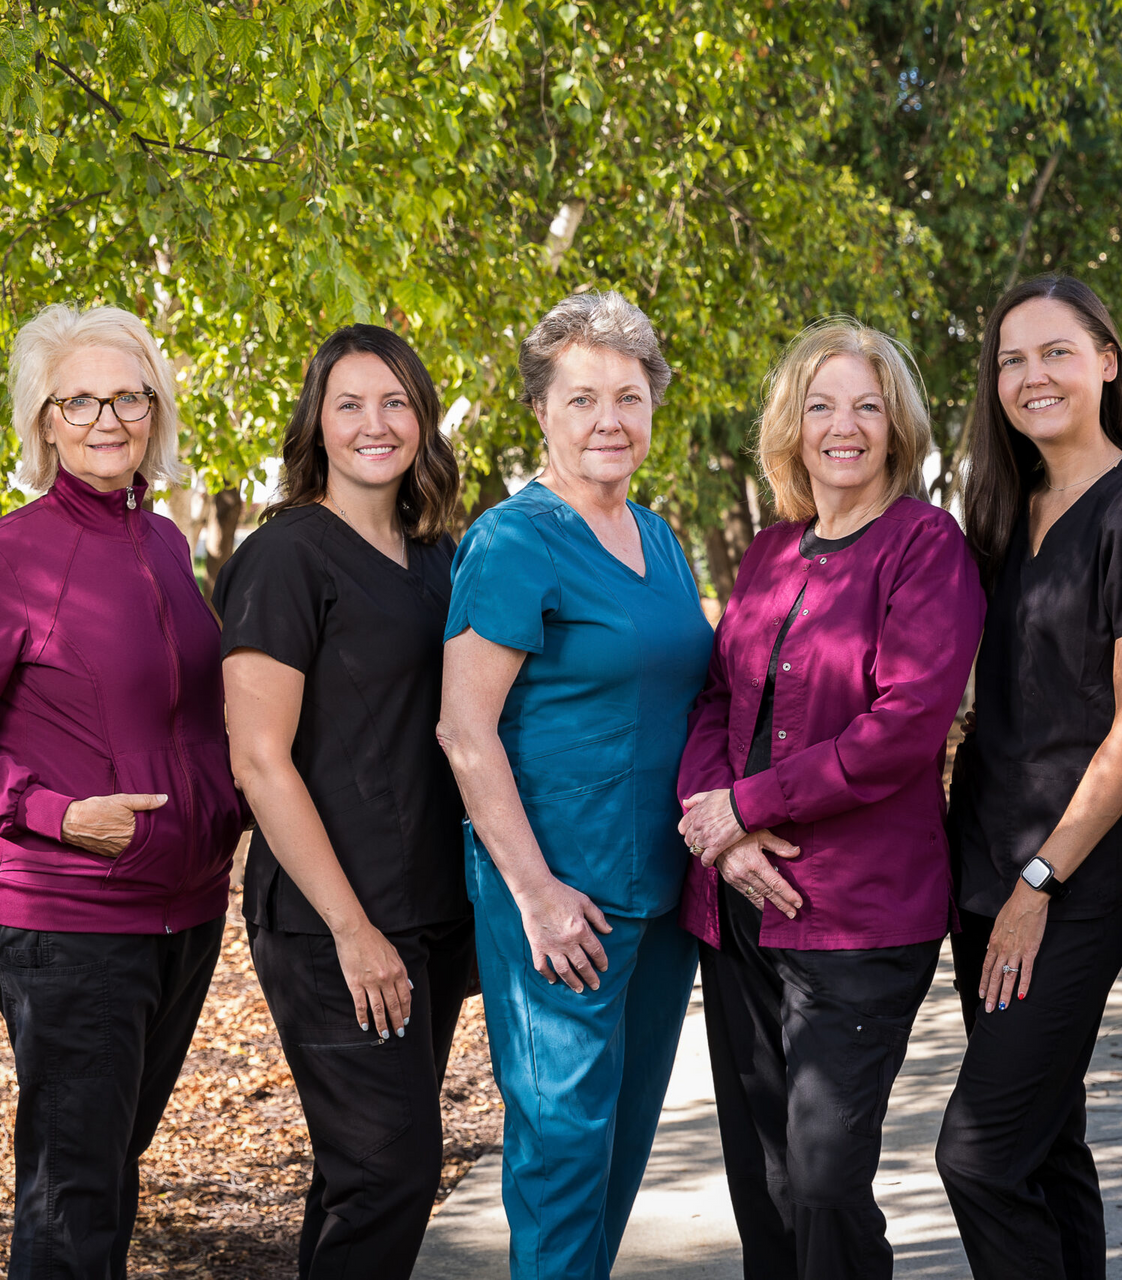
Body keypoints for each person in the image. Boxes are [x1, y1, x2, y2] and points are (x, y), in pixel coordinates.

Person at [675, 318, 985, 1280]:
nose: (841, 426)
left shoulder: (926, 547)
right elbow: (717, 699)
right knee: (762, 1181)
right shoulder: (770, 554)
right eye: (820, 405)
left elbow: (903, 725)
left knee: (820, 1176)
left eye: (865, 406)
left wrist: (750, 803)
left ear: (897, 426)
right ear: (791, 426)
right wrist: (716, 829)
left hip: (856, 916)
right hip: (735, 907)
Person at [437, 291, 714, 1280]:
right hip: (558, 902)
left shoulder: (662, 537)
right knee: (560, 1163)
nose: (610, 419)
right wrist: (536, 894)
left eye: (630, 396)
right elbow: (463, 730)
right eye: (584, 396)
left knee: (615, 1159)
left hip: (660, 899)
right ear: (541, 413)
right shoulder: (516, 542)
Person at [936, 275, 1122, 1280]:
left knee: (977, 1153)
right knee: (1044, 1146)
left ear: (1107, 361)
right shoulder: (1007, 505)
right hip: (985, 860)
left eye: (1056, 350)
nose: (1032, 374)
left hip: (1069, 879)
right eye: (1012, 358)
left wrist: (1037, 884)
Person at [0, 304, 244, 1277]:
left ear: (156, 409)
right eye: (79, 398)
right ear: (44, 420)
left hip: (184, 914)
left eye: (129, 395)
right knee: (73, 1188)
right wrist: (51, 812)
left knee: (106, 1172)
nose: (107, 417)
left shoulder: (168, 546)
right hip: (68, 915)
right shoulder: (7, 556)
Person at [213, 325, 473, 1279]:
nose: (376, 423)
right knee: (389, 1176)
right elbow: (258, 759)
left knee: (357, 1176)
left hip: (432, 915)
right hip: (336, 923)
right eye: (350, 403)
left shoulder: (440, 558)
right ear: (316, 423)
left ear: (424, 420)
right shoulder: (286, 557)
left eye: (396, 402)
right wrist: (352, 929)